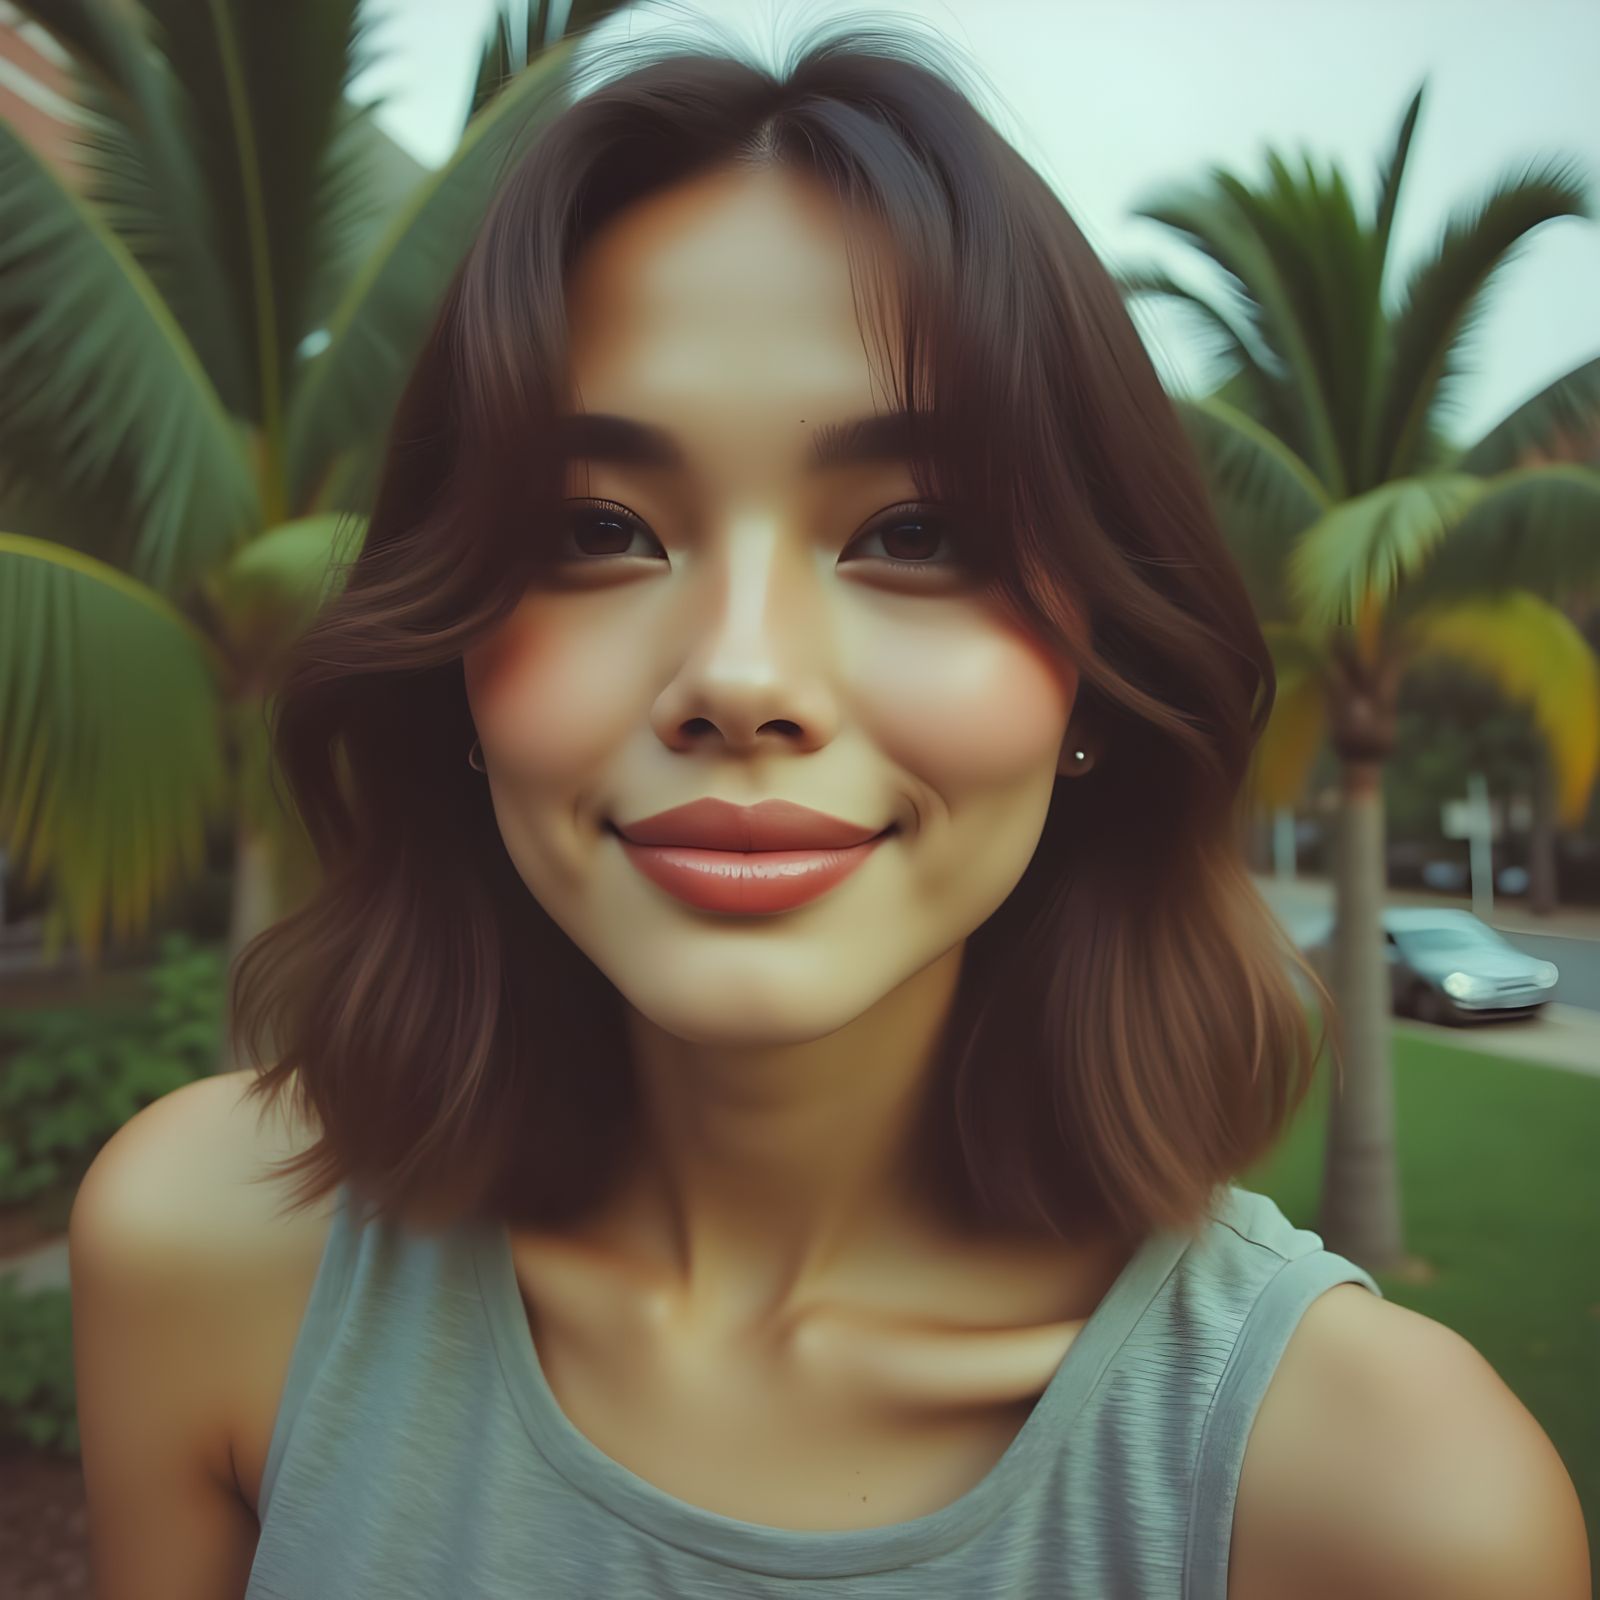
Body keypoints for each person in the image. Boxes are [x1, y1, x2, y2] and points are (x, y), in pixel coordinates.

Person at [69, 17, 1590, 1600]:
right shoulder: (211, 1254)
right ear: (454, 652)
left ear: (1094, 679)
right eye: (598, 526)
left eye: (915, 531)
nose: (739, 677)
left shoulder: (1395, 1506)